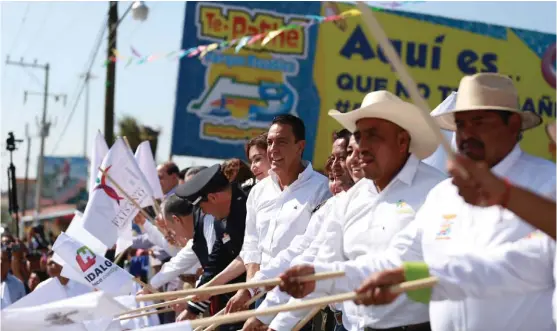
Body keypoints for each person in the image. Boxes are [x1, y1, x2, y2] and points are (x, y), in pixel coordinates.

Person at [279, 73, 555, 331]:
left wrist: (410, 278)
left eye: (479, 121)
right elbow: (399, 257)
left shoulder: (547, 185)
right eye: (460, 124)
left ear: (514, 125)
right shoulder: (444, 194)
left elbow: (521, 266)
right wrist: (322, 276)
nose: (467, 133)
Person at [270, 90, 444, 331]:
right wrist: (276, 325)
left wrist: (400, 281)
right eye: (359, 136)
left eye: (374, 136)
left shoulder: (438, 192)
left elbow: (447, 273)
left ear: (402, 141)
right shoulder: (352, 199)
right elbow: (324, 266)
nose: (362, 146)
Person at [243, 131, 366, 331]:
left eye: (344, 156)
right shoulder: (335, 205)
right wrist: (254, 292)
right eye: (336, 157)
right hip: (340, 317)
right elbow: (303, 254)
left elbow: (318, 267)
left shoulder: (324, 192)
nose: (335, 165)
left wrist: (274, 323)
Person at [225, 114, 330, 321]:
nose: (273, 149)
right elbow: (252, 247)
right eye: (270, 142)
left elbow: (308, 251)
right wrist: (250, 290)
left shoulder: (322, 189)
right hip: (260, 293)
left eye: (281, 142)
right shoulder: (258, 191)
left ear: (300, 146)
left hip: (299, 300)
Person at [174, 164, 248, 330]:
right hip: (239, 296)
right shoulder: (221, 219)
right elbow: (215, 262)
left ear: (213, 198)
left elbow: (249, 256)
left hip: (262, 293)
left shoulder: (249, 206)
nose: (204, 213)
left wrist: (210, 288)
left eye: (201, 207)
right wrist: (193, 308)